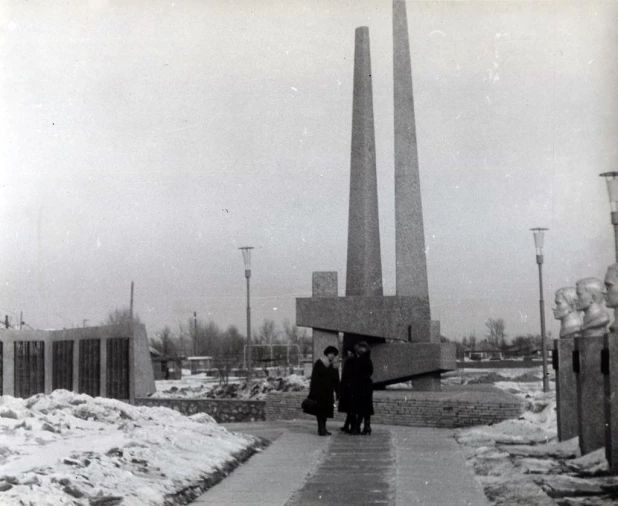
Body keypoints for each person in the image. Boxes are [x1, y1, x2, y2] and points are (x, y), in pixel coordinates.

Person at [308, 345, 340, 436]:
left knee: (326, 411)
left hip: (329, 392)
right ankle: (321, 429)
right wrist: (313, 391)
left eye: (334, 354)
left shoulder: (334, 365)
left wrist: (338, 392)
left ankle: (323, 428)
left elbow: (336, 380)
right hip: (319, 392)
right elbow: (314, 378)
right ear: (327, 354)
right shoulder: (320, 363)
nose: (332, 356)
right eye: (330, 353)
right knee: (320, 411)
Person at [351, 341, 374, 436]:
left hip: (360, 386)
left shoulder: (360, 360)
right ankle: (367, 427)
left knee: (360, 408)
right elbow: (370, 372)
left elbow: (357, 374)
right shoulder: (368, 360)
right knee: (366, 407)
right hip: (367, 386)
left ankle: (357, 428)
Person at [338, 347, 357, 433]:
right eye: (348, 354)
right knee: (350, 409)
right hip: (348, 389)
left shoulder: (352, 362)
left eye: (350, 354)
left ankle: (352, 427)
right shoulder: (350, 361)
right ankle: (347, 426)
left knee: (351, 409)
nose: (349, 355)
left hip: (351, 389)